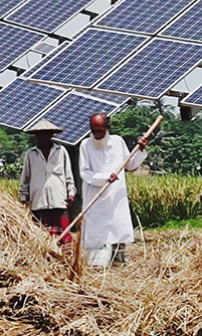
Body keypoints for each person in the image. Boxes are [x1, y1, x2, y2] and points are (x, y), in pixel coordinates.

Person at [79, 113, 148, 268]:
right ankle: (98, 267)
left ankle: (118, 265)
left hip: (116, 199)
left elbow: (130, 165)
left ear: (108, 128)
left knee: (117, 230)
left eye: (100, 131)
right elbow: (85, 172)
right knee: (97, 234)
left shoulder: (118, 142)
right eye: (93, 130)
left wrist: (140, 150)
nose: (96, 135)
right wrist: (104, 178)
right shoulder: (85, 145)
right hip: (95, 198)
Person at [19, 119, 76, 243]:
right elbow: (25, 179)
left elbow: (68, 175)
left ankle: (66, 258)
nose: (43, 137)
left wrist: (71, 193)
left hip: (59, 200)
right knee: (41, 237)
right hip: (38, 202)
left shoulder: (61, 151)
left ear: (51, 135)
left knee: (64, 235)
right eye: (40, 134)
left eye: (46, 134)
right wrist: (23, 198)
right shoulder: (30, 154)